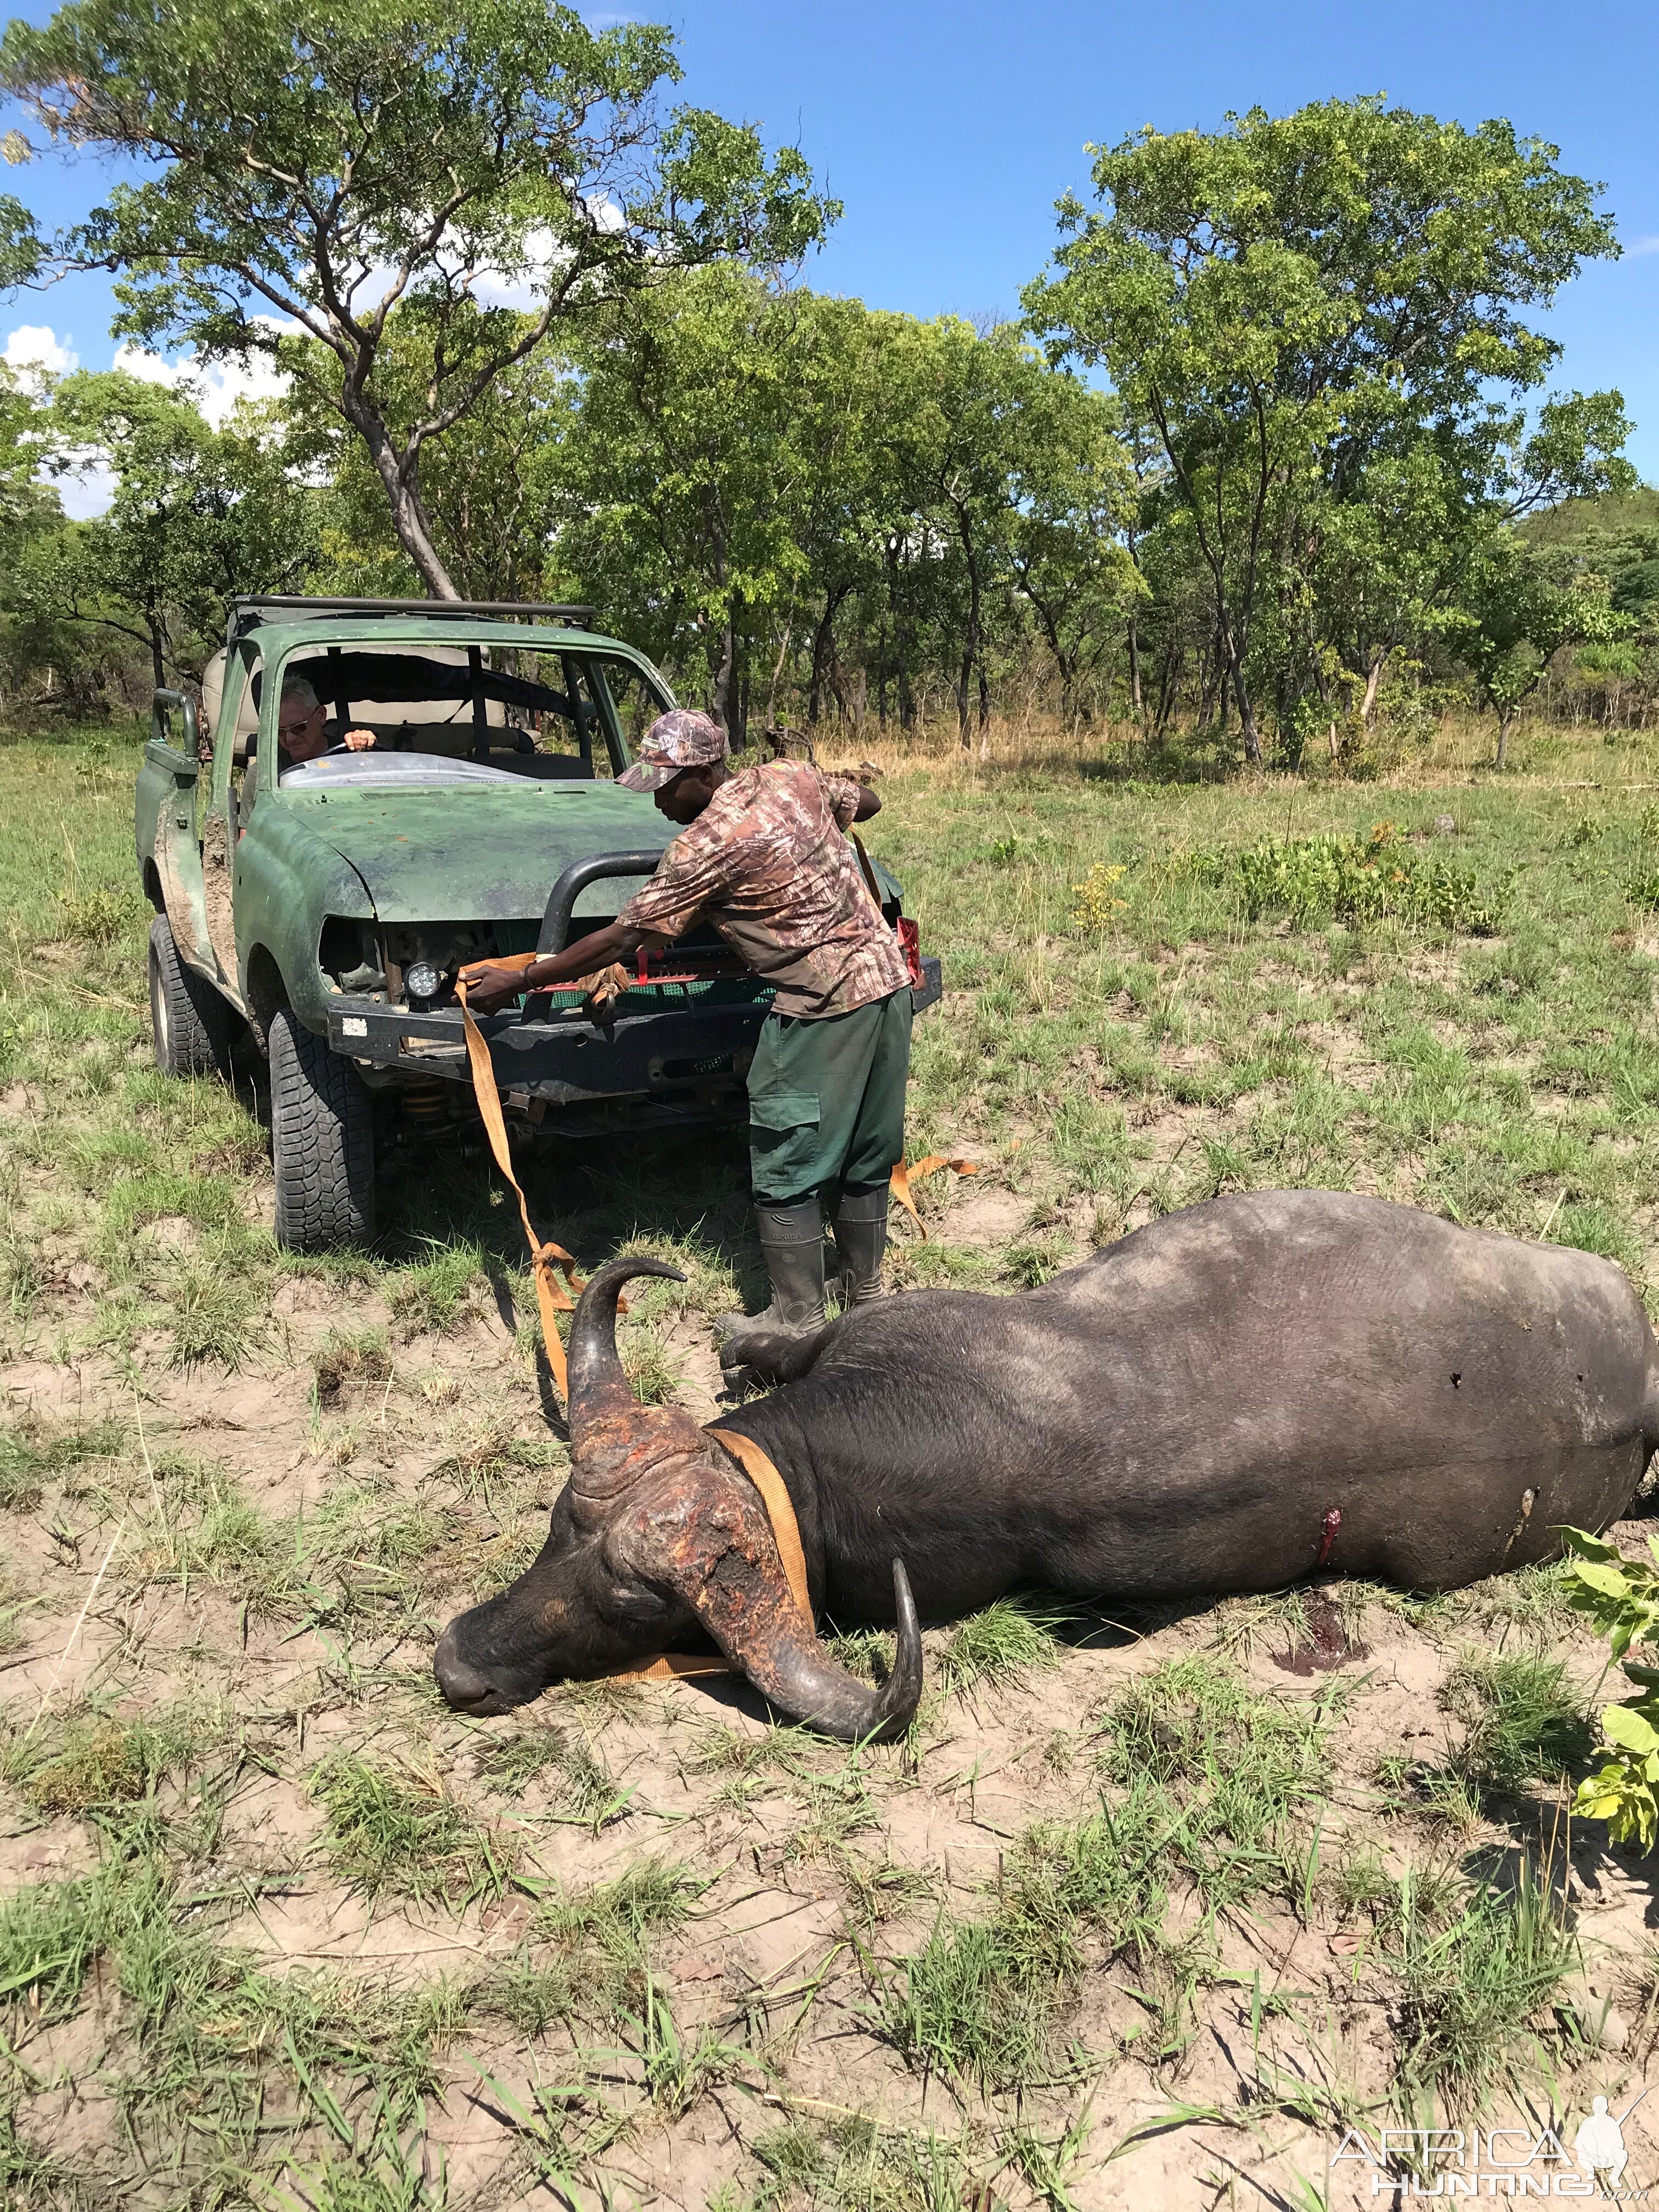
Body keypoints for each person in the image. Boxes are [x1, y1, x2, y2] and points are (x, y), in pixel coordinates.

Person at [460, 709, 912, 1368]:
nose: (659, 801)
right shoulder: (791, 775)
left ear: (703, 773)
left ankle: (795, 1318)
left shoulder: (705, 845)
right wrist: (825, 811)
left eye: (665, 786)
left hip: (821, 1005)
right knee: (869, 1147)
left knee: (788, 1156)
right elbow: (866, 802)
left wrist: (521, 980)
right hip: (888, 983)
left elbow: (621, 938)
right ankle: (867, 1293)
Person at [275, 678, 377, 773]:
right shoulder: (269, 767)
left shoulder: (349, 755)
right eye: (280, 731)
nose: (290, 739)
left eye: (298, 727)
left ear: (321, 716)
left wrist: (365, 744)